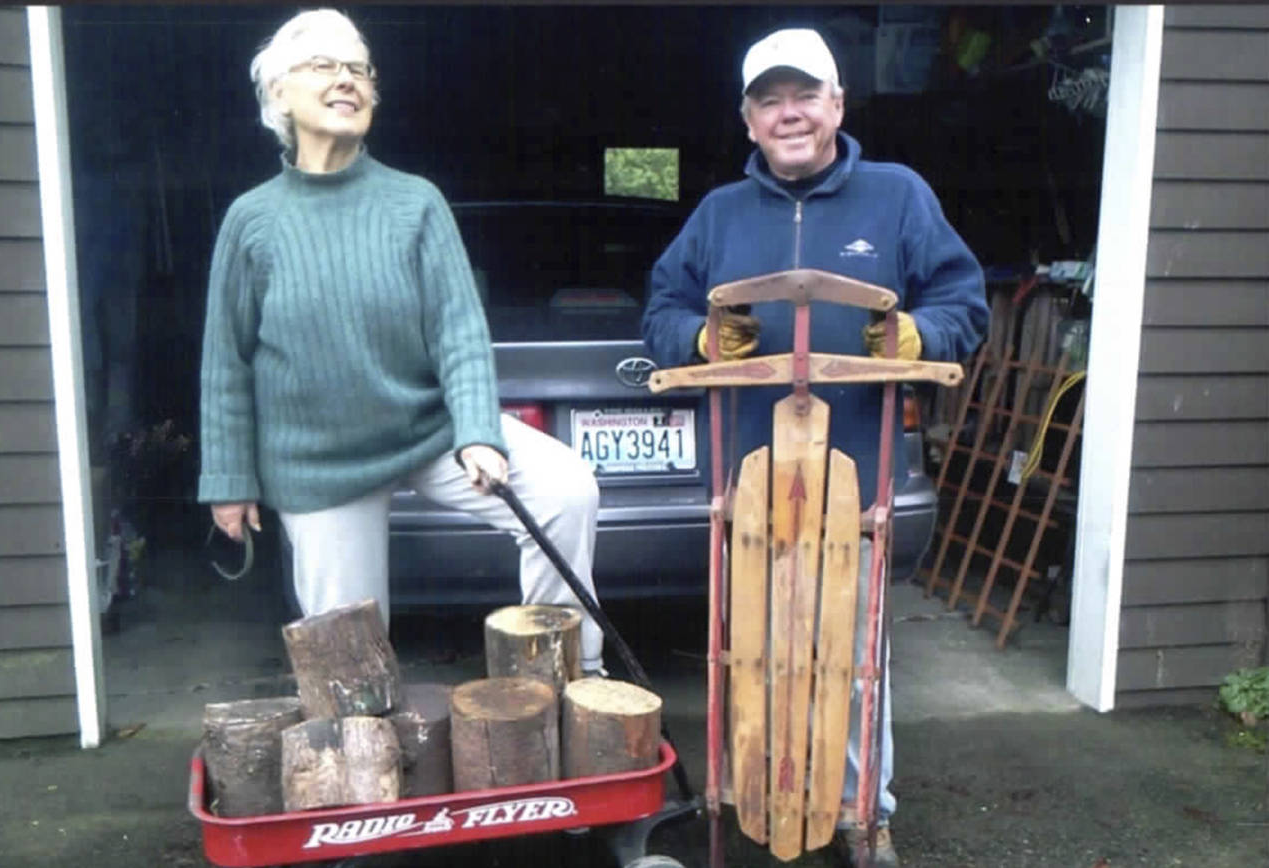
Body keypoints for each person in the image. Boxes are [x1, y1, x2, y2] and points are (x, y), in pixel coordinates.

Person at [641, 27, 989, 866]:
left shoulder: (898, 195)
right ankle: (755, 798)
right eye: (770, 100)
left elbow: (964, 301)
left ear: (837, 104)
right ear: (748, 119)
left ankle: (863, 812)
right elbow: (659, 313)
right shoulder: (720, 213)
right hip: (751, 478)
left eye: (805, 96)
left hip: (856, 478)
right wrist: (699, 339)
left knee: (853, 652)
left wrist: (919, 334)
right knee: (749, 644)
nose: (788, 113)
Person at [198, 8, 605, 675]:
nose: (347, 80)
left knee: (567, 490)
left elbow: (460, 330)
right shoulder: (253, 220)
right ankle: (364, 762)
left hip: (428, 433)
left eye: (359, 68)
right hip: (319, 465)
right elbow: (226, 362)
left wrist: (477, 429)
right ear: (278, 94)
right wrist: (228, 479)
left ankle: (566, 675)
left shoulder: (415, 202)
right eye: (324, 65)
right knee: (348, 658)